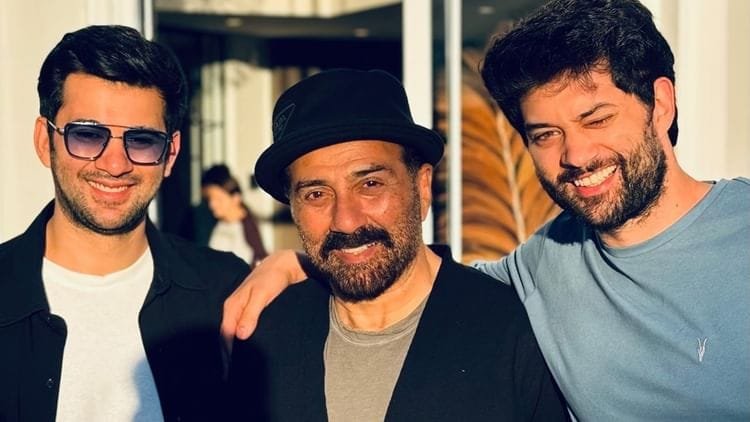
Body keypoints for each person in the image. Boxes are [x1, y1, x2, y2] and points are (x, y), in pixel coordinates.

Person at [222, 0, 750, 420]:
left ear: (661, 104)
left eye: (596, 119)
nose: (575, 154)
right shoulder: (542, 264)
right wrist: (296, 262)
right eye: (546, 134)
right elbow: (417, 276)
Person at [228, 69, 568, 421]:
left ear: (422, 188)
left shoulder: (510, 331)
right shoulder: (266, 337)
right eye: (316, 194)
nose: (346, 220)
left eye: (370, 184)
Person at [0, 25, 249, 421]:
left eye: (142, 140)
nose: (115, 165)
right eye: (87, 135)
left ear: (170, 154)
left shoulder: (226, 293)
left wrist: (294, 269)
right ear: (45, 142)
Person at [201, 164, 268, 266]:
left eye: (218, 199)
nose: (212, 204)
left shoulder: (248, 228)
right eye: (210, 199)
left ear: (235, 198)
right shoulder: (216, 224)